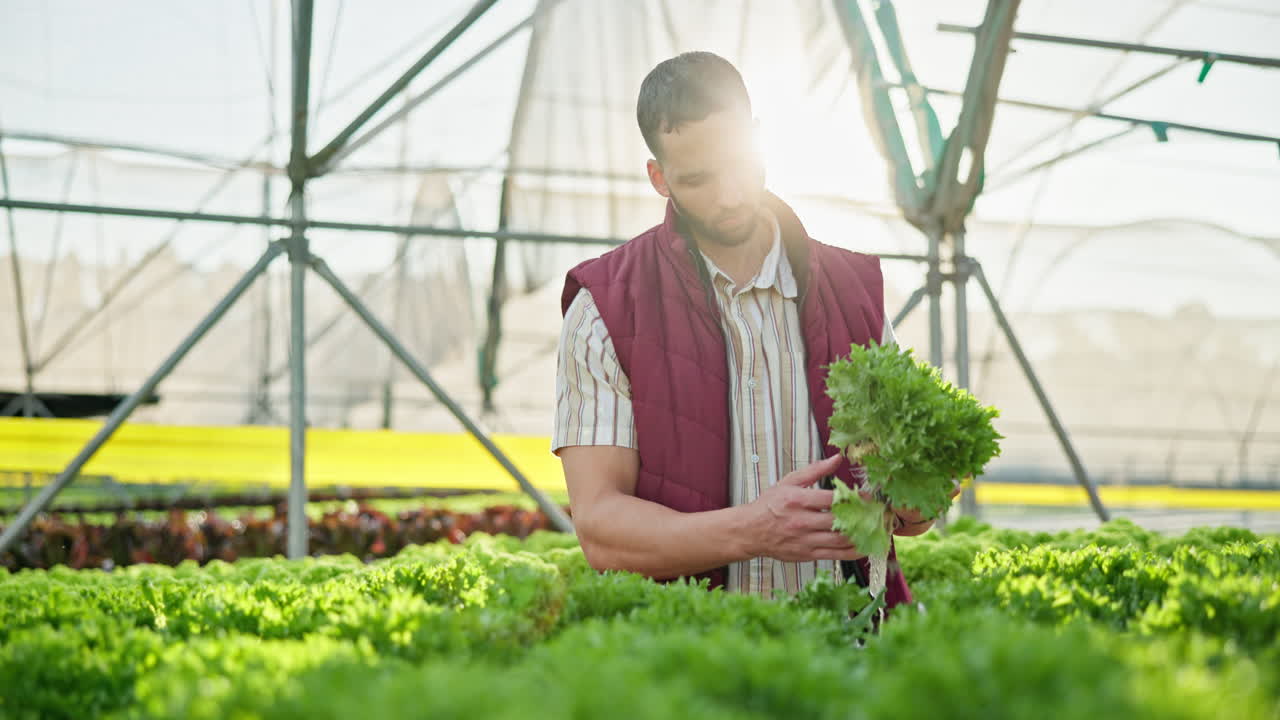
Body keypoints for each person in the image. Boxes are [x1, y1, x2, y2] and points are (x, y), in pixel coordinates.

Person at [552, 51, 935, 606]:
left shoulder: (855, 291)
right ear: (659, 178)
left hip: (855, 652)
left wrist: (925, 493)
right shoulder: (605, 308)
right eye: (698, 180)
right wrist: (754, 530)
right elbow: (602, 528)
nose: (729, 196)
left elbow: (909, 513)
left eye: (738, 165)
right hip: (697, 663)